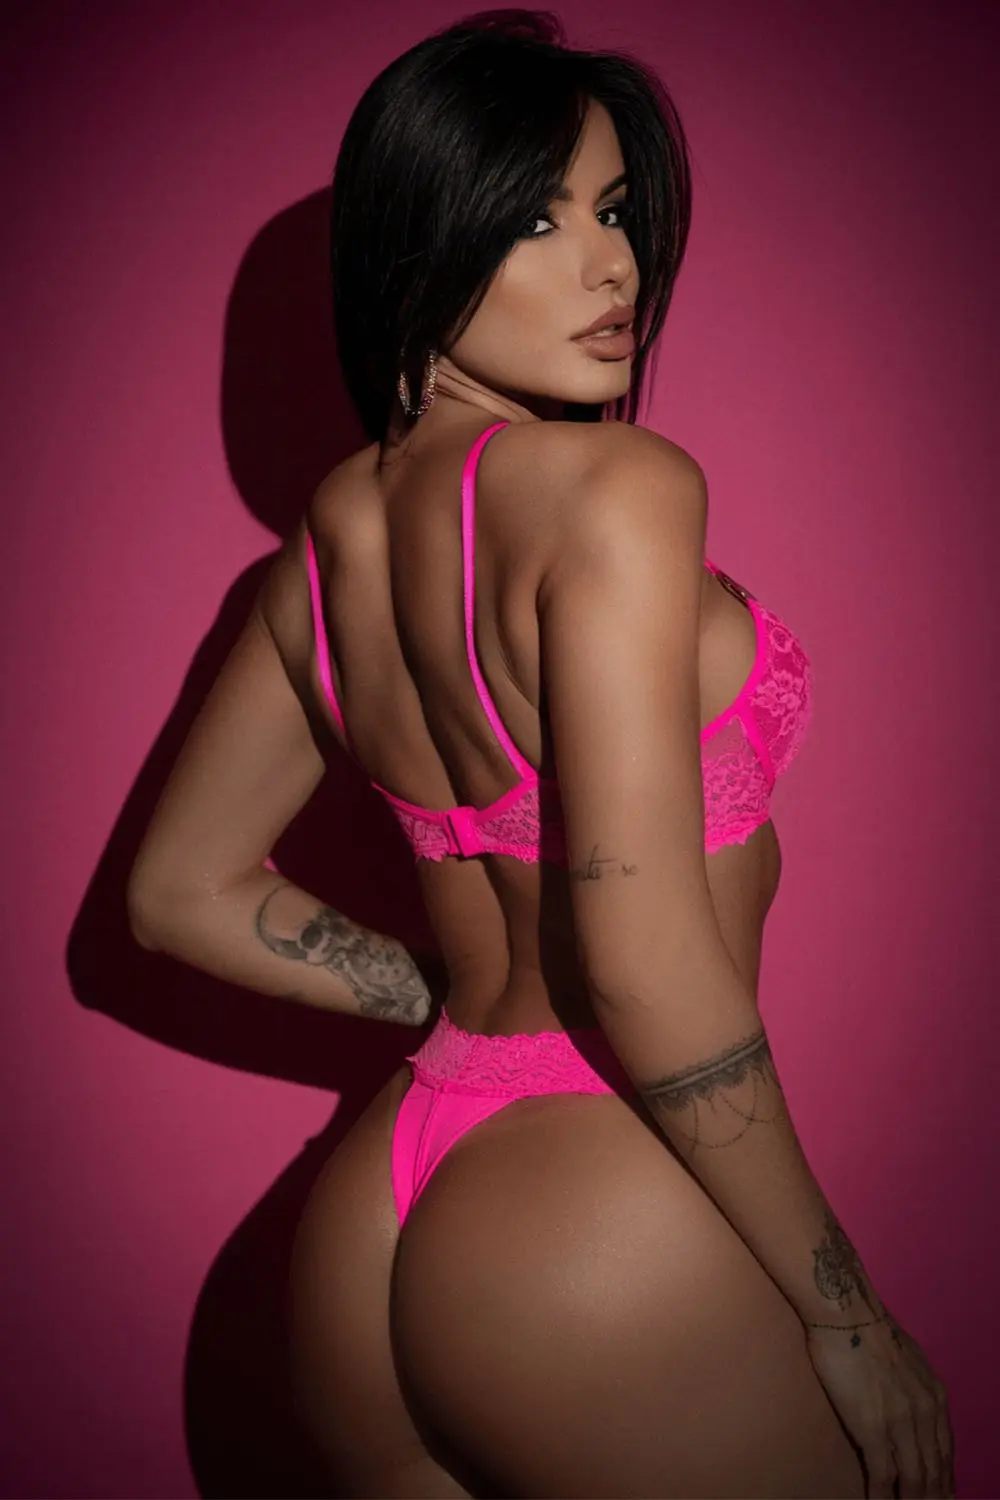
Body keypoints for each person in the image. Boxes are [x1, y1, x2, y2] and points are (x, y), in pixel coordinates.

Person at [127, 10, 955, 1498]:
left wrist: (454, 993)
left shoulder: (322, 555)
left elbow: (179, 894)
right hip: (589, 1219)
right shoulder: (614, 491)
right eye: (535, 219)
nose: (612, 266)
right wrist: (842, 1310)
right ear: (419, 247)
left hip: (375, 1222)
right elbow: (639, 958)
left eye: (616, 211)